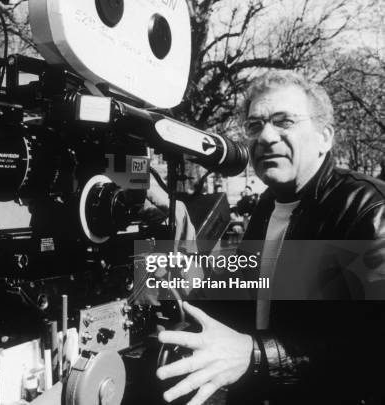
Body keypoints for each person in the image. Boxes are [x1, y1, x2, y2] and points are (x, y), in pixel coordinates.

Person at [156, 71, 385, 405]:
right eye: (254, 125)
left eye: (284, 122)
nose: (265, 136)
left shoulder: (367, 209)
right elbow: (257, 302)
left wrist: (255, 355)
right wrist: (189, 291)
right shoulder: (268, 205)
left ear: (325, 136)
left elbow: (371, 346)